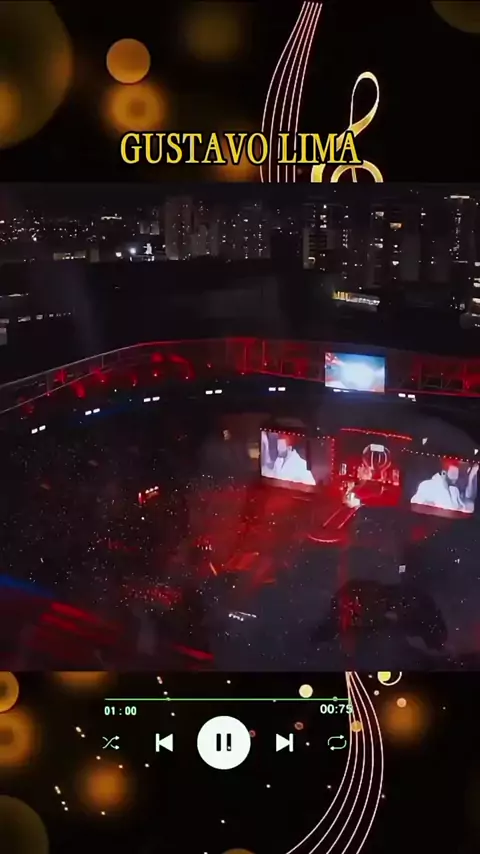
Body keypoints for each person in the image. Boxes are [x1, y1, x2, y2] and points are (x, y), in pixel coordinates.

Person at [411, 459, 478, 513]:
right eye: (461, 472)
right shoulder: (428, 485)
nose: (463, 477)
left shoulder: (458, 491)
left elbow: (469, 504)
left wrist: (471, 478)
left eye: (465, 472)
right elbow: (415, 504)